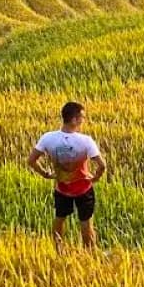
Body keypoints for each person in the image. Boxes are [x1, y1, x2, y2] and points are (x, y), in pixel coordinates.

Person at [27, 101, 104, 249]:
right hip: (83, 188)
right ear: (74, 120)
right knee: (86, 222)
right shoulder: (85, 141)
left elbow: (31, 160)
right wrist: (95, 177)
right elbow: (102, 165)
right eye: (82, 117)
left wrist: (44, 173)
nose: (83, 120)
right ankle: (90, 255)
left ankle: (59, 250)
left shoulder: (48, 138)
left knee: (59, 219)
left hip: (61, 188)